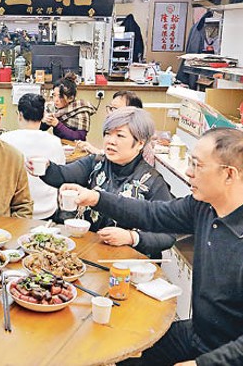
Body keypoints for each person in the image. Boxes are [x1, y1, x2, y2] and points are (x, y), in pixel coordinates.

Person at [62, 127, 243, 366]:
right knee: (121, 352)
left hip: (229, 352)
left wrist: (204, 364)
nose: (188, 172)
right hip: (198, 333)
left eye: (197, 165)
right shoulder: (204, 207)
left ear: (229, 175)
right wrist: (97, 198)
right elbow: (152, 213)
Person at [30, 107, 175, 258]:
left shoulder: (152, 181)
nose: (111, 141)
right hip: (89, 252)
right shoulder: (96, 163)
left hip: (128, 263)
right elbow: (62, 175)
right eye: (107, 134)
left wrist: (131, 237)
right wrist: (45, 168)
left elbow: (168, 235)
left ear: (140, 143)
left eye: (120, 135)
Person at [0, 93, 65, 219]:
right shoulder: (54, 141)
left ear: (19, 115)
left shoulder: (5, 139)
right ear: (42, 116)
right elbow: (61, 174)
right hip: (48, 209)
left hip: (15, 210)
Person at [77, 90, 155, 166]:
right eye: (110, 108)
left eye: (115, 109)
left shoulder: (140, 142)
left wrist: (96, 152)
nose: (109, 115)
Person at [41, 74, 96, 141]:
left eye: (60, 96)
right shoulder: (53, 108)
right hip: (60, 145)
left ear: (70, 98)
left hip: (77, 148)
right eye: (54, 95)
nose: (56, 99)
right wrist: (43, 120)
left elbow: (80, 137)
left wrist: (57, 124)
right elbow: (41, 129)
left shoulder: (81, 109)